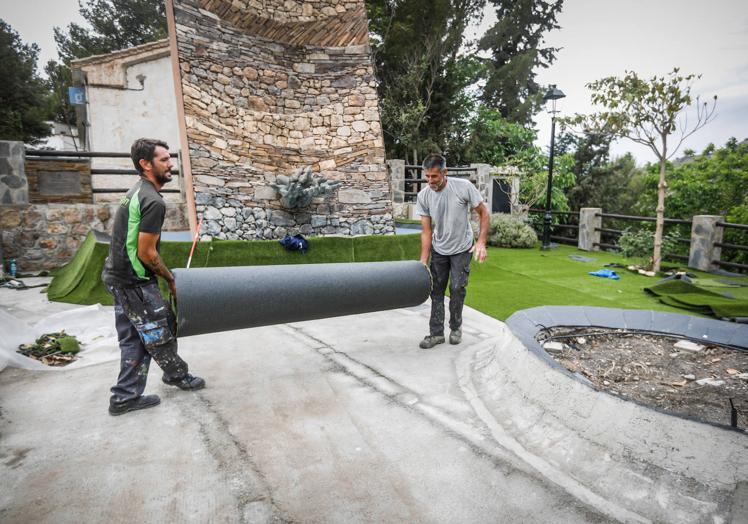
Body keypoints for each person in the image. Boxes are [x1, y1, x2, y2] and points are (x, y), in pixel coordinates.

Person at [102, 138, 205, 416]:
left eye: (170, 158)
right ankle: (176, 375)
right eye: (163, 159)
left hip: (117, 276)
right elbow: (147, 253)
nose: (170, 164)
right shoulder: (153, 201)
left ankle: (125, 396)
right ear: (145, 164)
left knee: (135, 338)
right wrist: (171, 278)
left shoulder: (137, 192)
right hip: (133, 282)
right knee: (160, 330)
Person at [415, 153, 489, 349]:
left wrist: (481, 242)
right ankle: (436, 333)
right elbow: (426, 231)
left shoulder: (463, 187)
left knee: (457, 288)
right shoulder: (423, 196)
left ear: (445, 173)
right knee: (436, 291)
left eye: (434, 177)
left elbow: (484, 213)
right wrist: (423, 260)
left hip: (462, 248)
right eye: (427, 176)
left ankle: (455, 327)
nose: (430, 181)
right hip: (439, 249)